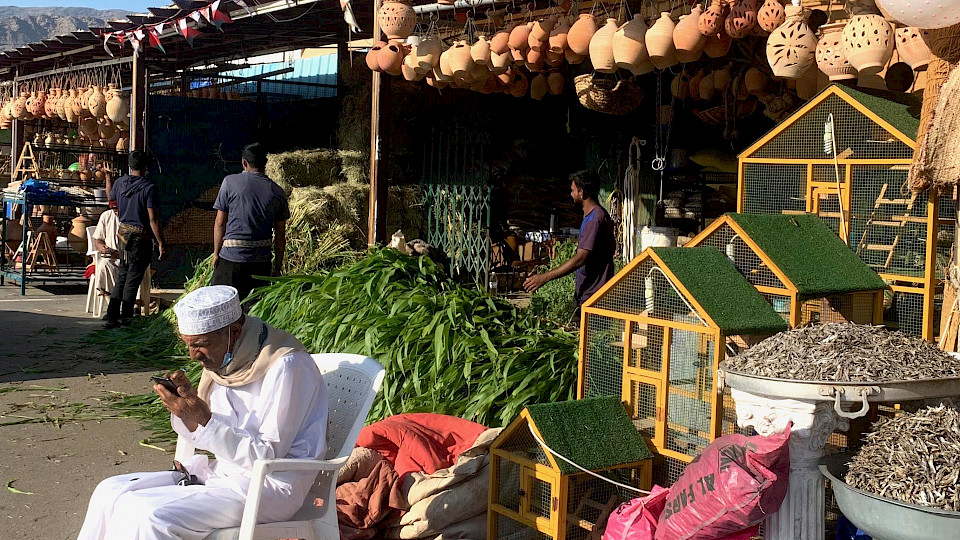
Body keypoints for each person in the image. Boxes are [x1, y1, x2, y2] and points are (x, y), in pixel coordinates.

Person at [77, 285, 328, 540]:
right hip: (224, 473)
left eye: (201, 345)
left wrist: (204, 419)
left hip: (270, 486)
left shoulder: (286, 366)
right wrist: (186, 411)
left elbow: (266, 456)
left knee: (152, 516)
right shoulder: (227, 360)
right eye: (188, 345)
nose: (193, 355)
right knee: (109, 491)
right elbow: (207, 432)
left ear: (235, 331)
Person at [523, 170, 616, 324]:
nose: (570, 193)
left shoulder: (595, 219)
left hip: (594, 294)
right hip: (587, 290)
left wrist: (544, 278)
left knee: (587, 340)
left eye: (573, 190)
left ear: (582, 192)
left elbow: (581, 258)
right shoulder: (592, 216)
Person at [211, 143, 289, 303]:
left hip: (231, 261)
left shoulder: (229, 183)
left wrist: (216, 253)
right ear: (265, 164)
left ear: (244, 162)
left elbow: (220, 223)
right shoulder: (277, 191)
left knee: (222, 306)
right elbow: (280, 236)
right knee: (254, 310)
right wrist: (278, 267)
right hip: (261, 265)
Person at [104, 151, 165, 328]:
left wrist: (108, 178)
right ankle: (126, 318)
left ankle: (111, 316)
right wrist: (161, 242)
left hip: (122, 236)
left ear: (129, 167)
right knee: (133, 278)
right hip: (140, 238)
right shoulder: (148, 188)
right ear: (145, 168)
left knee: (123, 274)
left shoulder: (120, 183)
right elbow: (153, 219)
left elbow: (110, 197)